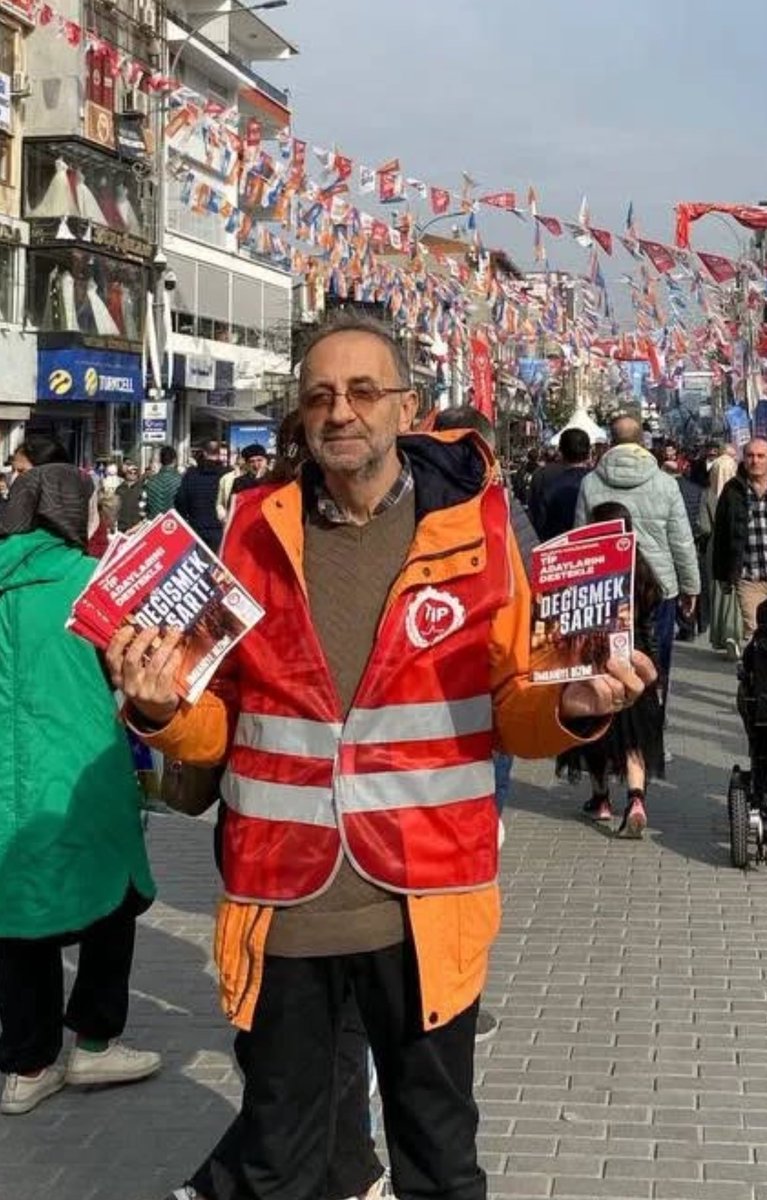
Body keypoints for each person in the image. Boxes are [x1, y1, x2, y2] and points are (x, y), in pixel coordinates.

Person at [107, 315, 654, 1200]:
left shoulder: (477, 531)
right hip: (282, 905)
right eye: (320, 394)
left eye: (363, 391)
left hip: (427, 903)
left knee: (437, 1163)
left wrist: (572, 706)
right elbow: (225, 722)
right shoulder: (250, 528)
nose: (340, 411)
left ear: (406, 407)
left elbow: (516, 712)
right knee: (278, 1164)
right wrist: (161, 710)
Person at [0, 464, 160, 1116]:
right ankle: (94, 1042)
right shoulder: (91, 587)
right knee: (111, 901)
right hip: (82, 772)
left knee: (16, 918)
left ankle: (26, 1064)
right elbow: (138, 670)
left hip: (10, 784)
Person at [575, 414, 700, 715]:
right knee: (656, 661)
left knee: (609, 661)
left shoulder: (590, 482)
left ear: (611, 441)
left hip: (608, 585)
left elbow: (580, 539)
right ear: (642, 440)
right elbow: (681, 540)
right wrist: (690, 586)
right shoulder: (665, 483)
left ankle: (615, 728)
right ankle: (653, 727)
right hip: (659, 585)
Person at [558, 501, 664, 838]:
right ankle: (636, 799)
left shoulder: (584, 567)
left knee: (593, 729)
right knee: (633, 737)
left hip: (594, 659)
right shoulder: (641, 567)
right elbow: (651, 615)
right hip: (634, 659)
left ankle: (601, 798)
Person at [712, 438, 767, 643]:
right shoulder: (732, 490)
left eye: (761, 456)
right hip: (748, 577)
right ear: (743, 459)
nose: (755, 461)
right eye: (751, 456)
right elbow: (721, 534)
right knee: (754, 634)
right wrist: (722, 575)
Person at [700, 453, 742, 657]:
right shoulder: (741, 492)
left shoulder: (708, 494)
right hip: (737, 545)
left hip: (715, 546)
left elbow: (704, 526)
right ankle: (738, 633)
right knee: (739, 594)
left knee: (720, 593)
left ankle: (723, 634)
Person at [528, 428, 591, 542]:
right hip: (595, 551)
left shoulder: (547, 483)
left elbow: (538, 521)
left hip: (558, 548)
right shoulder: (598, 482)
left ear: (561, 452)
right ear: (589, 452)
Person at [174, 440, 228, 551]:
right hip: (221, 528)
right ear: (219, 453)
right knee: (219, 565)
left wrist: (186, 516)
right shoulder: (227, 473)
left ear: (204, 453)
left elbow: (180, 500)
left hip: (196, 527)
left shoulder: (191, 474)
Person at [143, 445, 182, 518]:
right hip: (175, 523)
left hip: (155, 522)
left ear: (160, 460)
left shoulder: (150, 481)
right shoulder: (181, 481)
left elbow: (144, 504)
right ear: (175, 460)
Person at [115, 461, 146, 532]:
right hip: (122, 526)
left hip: (137, 527)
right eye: (130, 472)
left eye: (135, 472)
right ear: (125, 473)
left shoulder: (142, 488)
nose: (133, 474)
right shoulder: (119, 489)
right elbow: (115, 508)